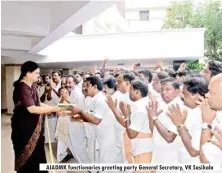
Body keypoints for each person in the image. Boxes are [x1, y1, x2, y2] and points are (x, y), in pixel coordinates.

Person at [11, 61, 62, 173]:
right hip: (24, 131)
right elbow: (32, 108)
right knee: (29, 160)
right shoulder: (22, 87)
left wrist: (52, 108)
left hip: (35, 129)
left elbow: (38, 104)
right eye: (36, 73)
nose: (39, 75)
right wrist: (53, 109)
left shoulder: (32, 86)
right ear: (28, 73)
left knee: (38, 156)